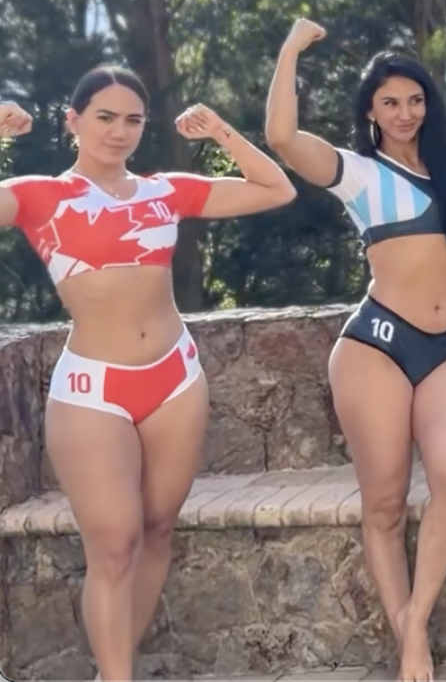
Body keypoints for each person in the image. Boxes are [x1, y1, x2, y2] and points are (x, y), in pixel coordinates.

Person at [0, 68, 295, 682]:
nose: (119, 131)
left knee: (158, 531)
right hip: (93, 390)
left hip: (175, 379)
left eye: (132, 120)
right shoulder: (39, 196)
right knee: (113, 546)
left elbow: (276, 189)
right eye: (105, 117)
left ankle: (115, 672)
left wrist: (221, 132)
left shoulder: (165, 191)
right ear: (73, 121)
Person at [266, 22, 446, 682]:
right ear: (371, 111)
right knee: (383, 505)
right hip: (376, 348)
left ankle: (415, 620)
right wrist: (291, 51)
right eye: (390, 102)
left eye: (415, 100)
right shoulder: (357, 173)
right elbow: (283, 139)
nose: (405, 113)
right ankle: (412, 641)